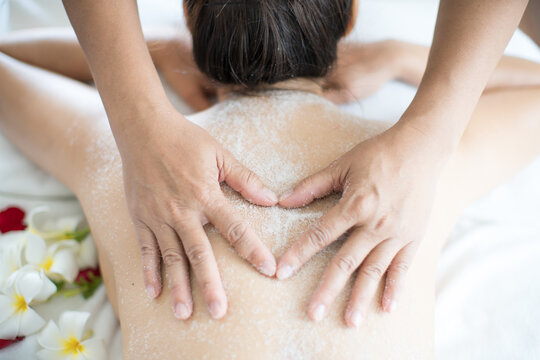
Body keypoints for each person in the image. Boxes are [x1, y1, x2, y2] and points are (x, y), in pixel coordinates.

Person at [1, 2, 540, 357]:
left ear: (191, 16)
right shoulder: (415, 179)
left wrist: (158, 53)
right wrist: (400, 58)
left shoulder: (127, 165)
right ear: (349, 17)